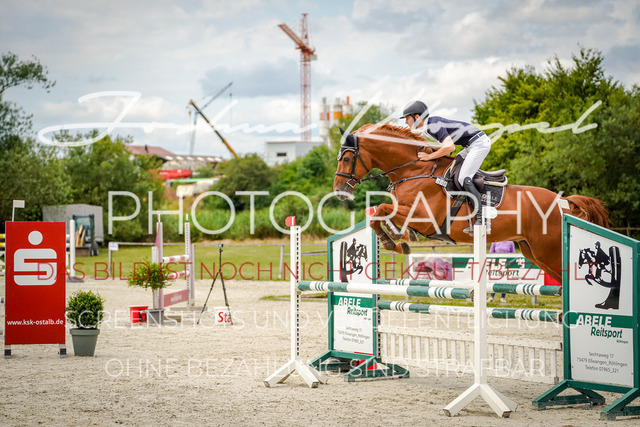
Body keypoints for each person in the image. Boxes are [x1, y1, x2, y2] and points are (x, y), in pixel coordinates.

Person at [400, 100, 492, 234]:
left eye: (407, 118)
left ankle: (482, 219)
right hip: (469, 146)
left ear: (417, 117)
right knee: (451, 168)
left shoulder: (433, 125)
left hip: (479, 144)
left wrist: (429, 157)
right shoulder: (428, 127)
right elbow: (445, 147)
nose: (406, 122)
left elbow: (450, 147)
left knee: (463, 178)